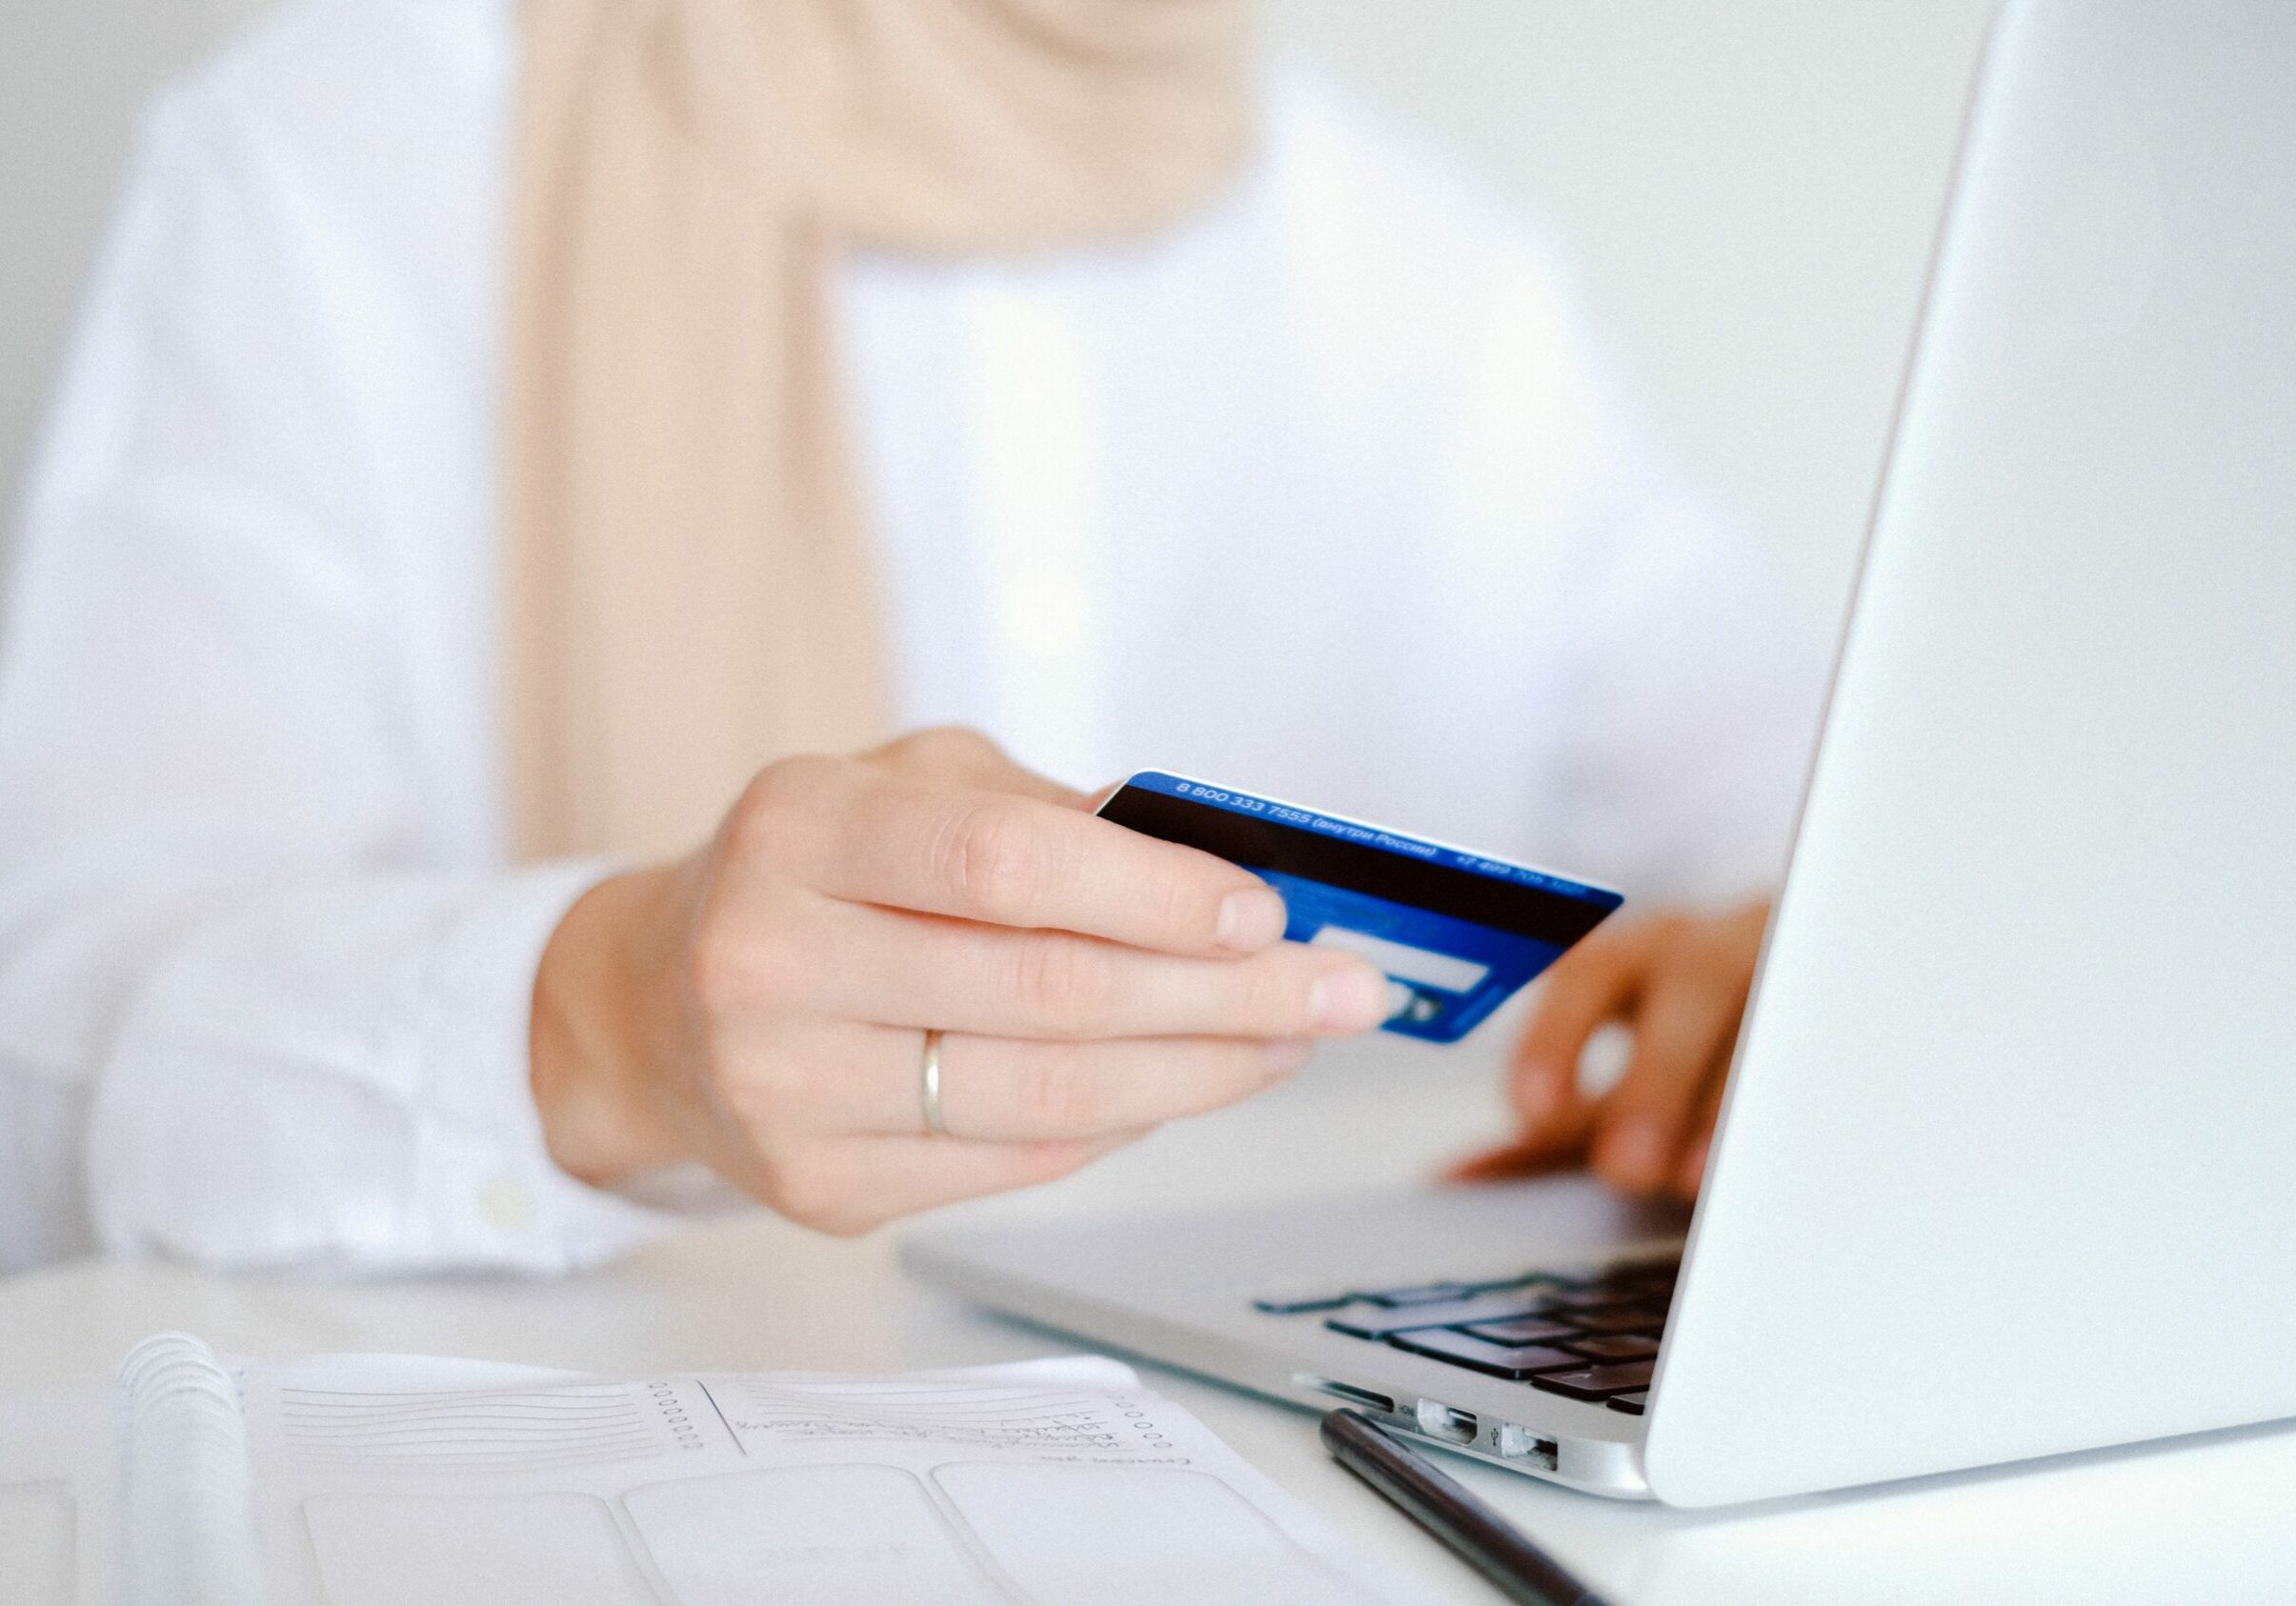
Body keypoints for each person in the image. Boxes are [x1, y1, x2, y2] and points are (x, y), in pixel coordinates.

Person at [0, 0, 1820, 1277]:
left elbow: (1815, 797)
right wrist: (604, 1014)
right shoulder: (336, 155)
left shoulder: (1442, 273)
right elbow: (61, 1070)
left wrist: (1795, 963)